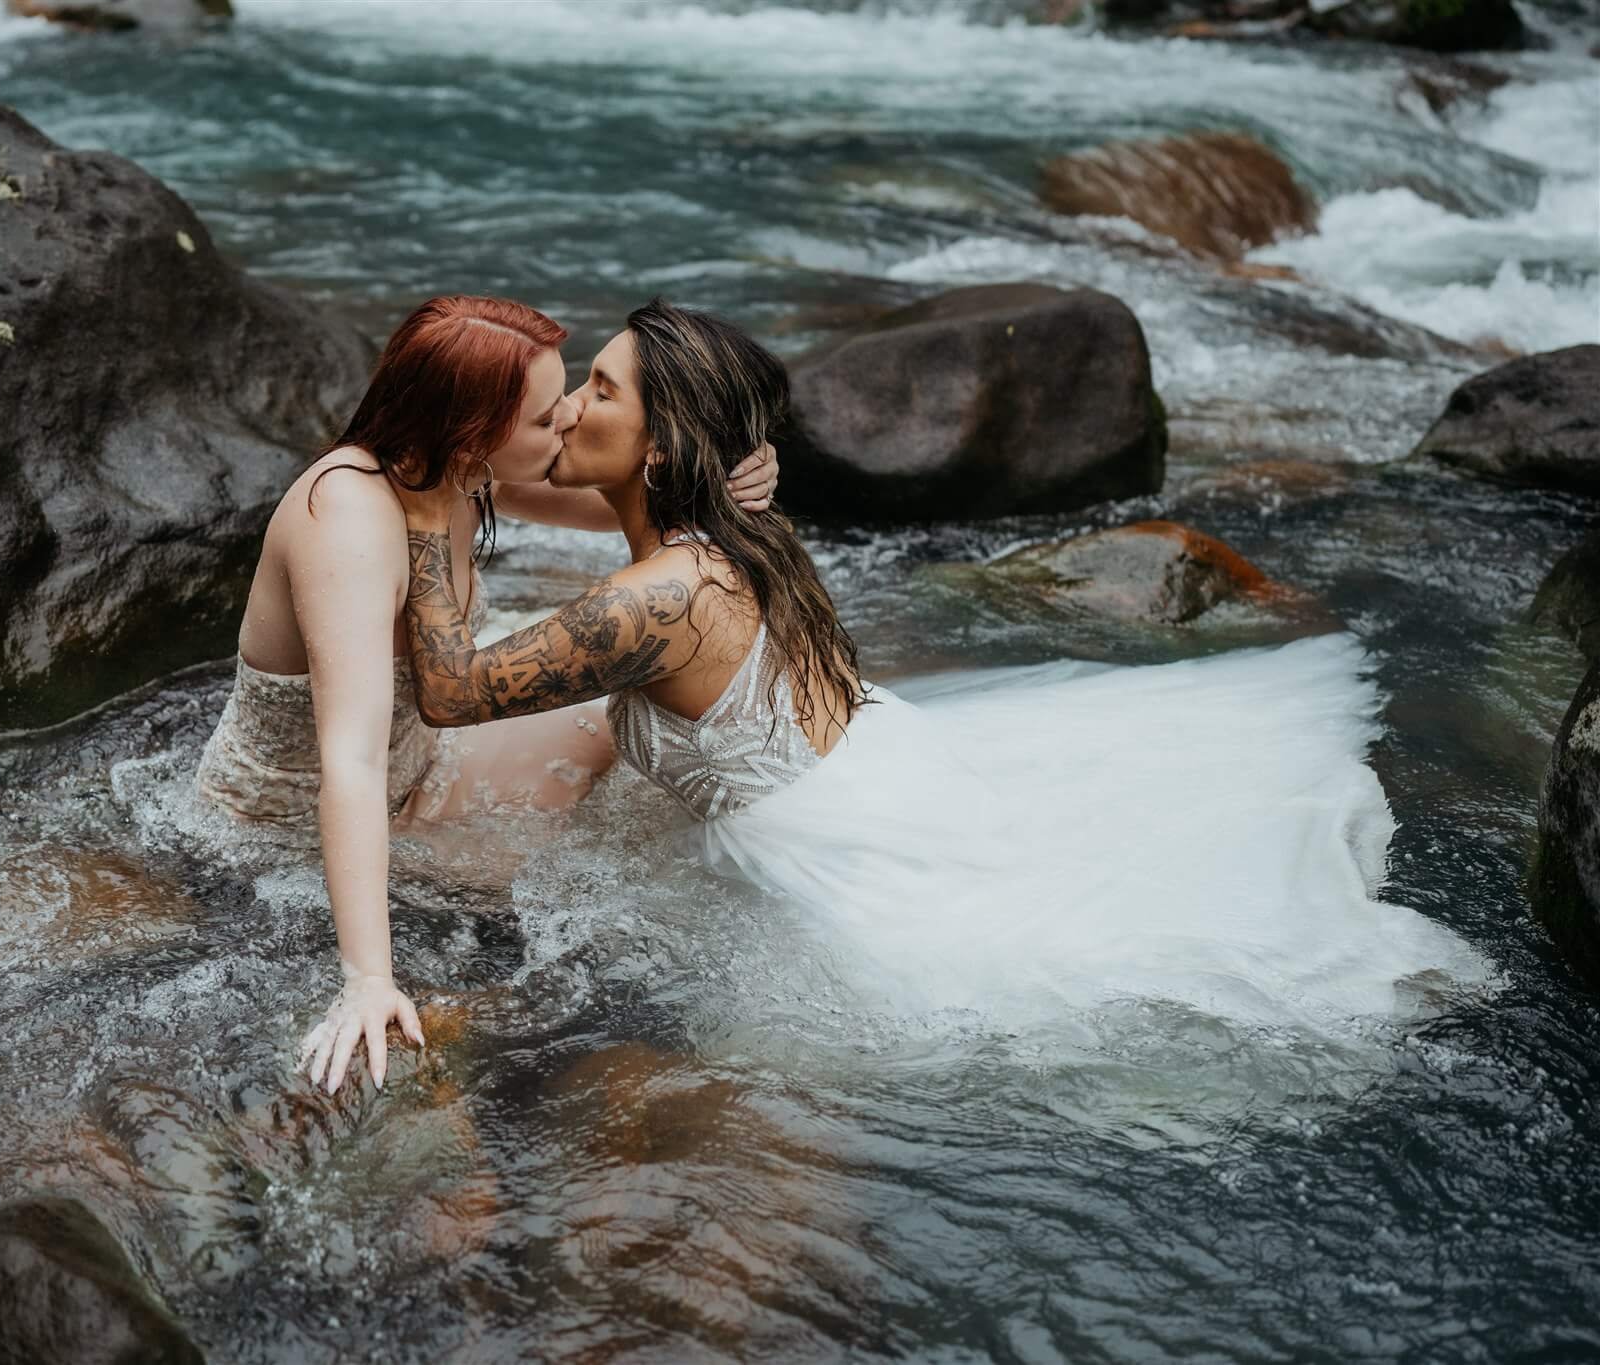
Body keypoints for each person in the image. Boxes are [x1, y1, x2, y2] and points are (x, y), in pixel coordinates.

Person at [391, 298, 1493, 1033]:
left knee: (1089, 984)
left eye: (598, 391)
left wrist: (428, 491)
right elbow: (558, 485)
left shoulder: (659, 595)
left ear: (667, 447)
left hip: (838, 838)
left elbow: (447, 689)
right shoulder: (728, 521)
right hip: (879, 759)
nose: (568, 408)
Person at [194, 296, 777, 1094]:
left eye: (575, 396)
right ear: (475, 431)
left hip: (425, 764)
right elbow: (352, 760)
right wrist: (367, 977)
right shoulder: (348, 521)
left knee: (623, 716)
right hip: (292, 830)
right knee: (572, 919)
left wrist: (734, 472)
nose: (569, 418)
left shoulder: (456, 473)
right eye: (547, 416)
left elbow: (623, 501)